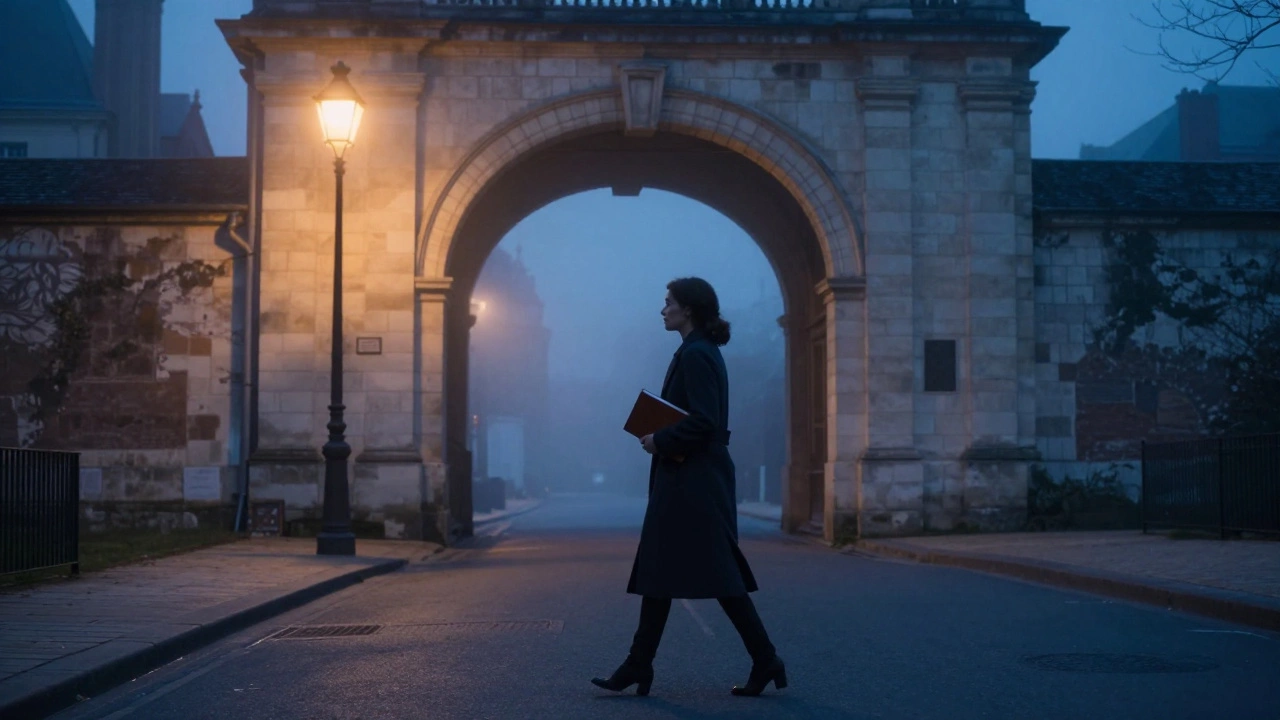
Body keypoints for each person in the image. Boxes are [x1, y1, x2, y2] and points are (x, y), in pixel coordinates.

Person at [591, 277, 787, 698]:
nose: (663, 310)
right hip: (688, 476)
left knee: (718, 571)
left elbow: (705, 421)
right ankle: (639, 664)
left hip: (694, 478)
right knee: (661, 568)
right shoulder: (693, 351)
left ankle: (764, 657)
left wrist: (659, 439)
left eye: (668, 303)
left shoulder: (697, 354)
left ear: (689, 310)